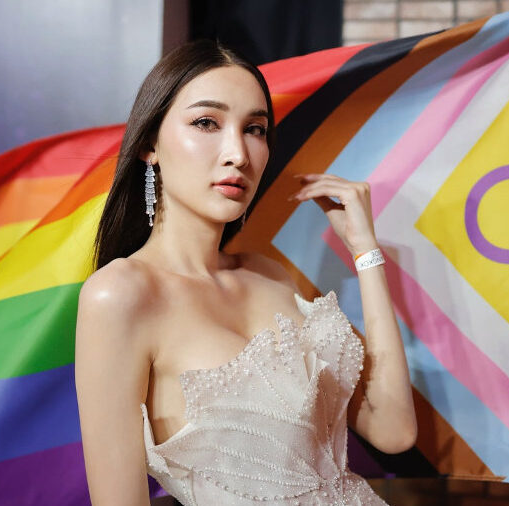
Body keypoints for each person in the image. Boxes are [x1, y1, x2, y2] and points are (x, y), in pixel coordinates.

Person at [74, 39, 416, 505]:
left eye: (255, 129)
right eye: (206, 123)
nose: (238, 152)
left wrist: (365, 251)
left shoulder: (270, 276)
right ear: (149, 144)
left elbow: (393, 428)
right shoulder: (121, 295)